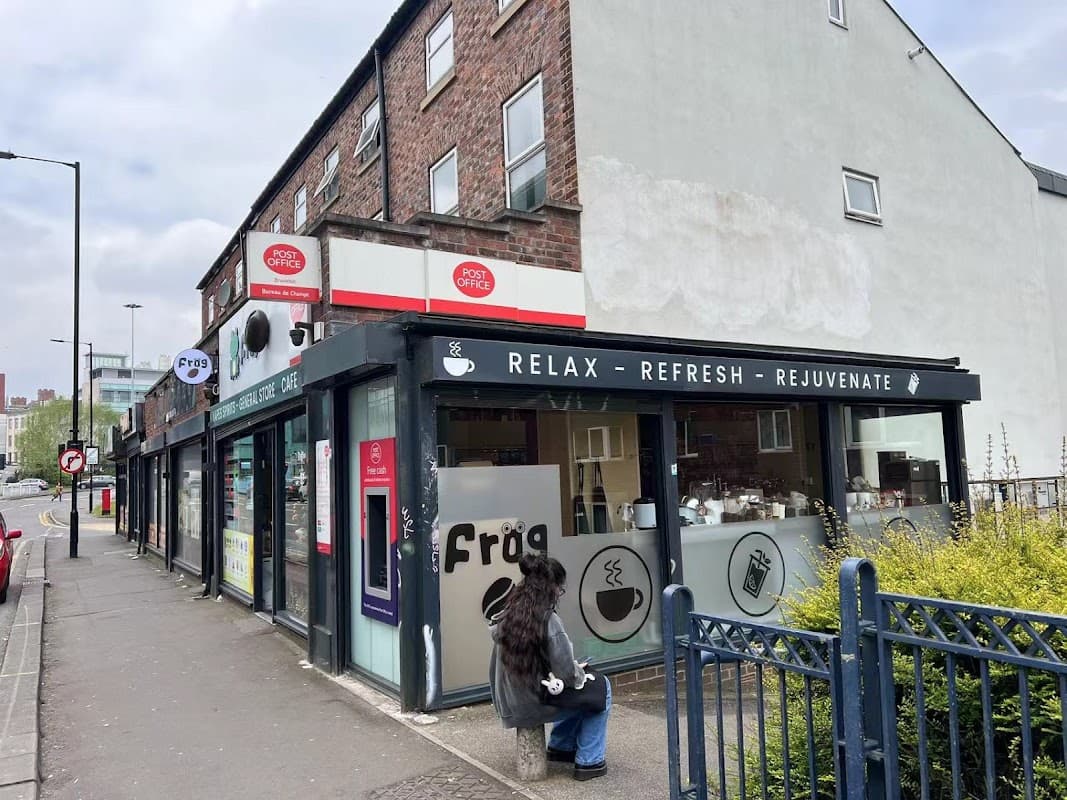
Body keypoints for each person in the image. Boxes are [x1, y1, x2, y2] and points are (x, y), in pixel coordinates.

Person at [488, 553, 611, 781]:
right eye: (560, 589)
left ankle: (561, 746)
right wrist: (580, 671)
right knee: (602, 688)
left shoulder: (508, 614)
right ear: (551, 588)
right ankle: (590, 761)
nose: (559, 594)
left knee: (581, 688)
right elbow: (567, 674)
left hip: (509, 701)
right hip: (532, 705)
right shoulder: (548, 620)